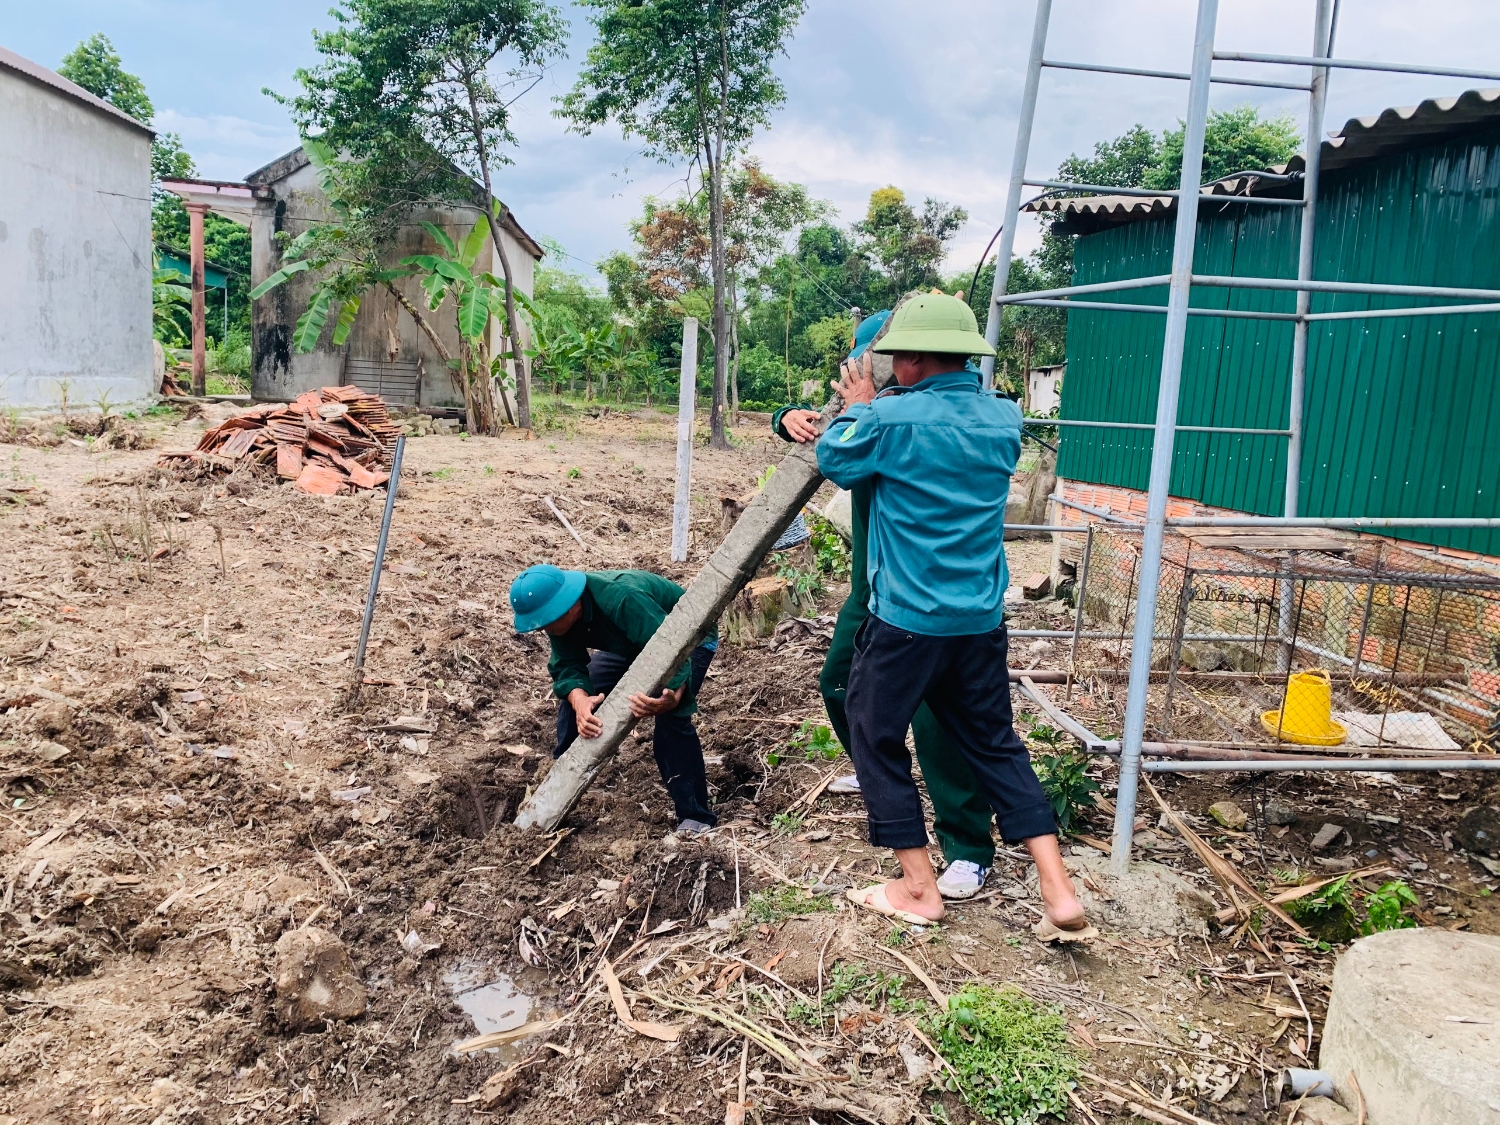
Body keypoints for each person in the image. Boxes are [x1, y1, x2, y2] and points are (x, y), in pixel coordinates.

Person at [815, 293, 1093, 941]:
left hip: (907, 620)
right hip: (978, 620)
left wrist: (857, 407)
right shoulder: (1003, 419)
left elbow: (839, 460)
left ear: (909, 358)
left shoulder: (888, 421)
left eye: (893, 358)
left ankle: (916, 886)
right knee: (997, 745)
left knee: (873, 733)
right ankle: (1058, 887)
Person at [772, 310, 998, 900]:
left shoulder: (904, 416)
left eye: (869, 360)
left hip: (931, 595)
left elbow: (863, 440)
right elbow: (830, 439)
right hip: (874, 588)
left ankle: (967, 846)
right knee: (839, 683)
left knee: (940, 719)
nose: (860, 371)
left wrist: (866, 409)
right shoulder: (872, 408)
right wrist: (785, 419)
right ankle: (884, 775)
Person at [509, 565, 718, 836]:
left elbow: (675, 651)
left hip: (688, 636)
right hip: (631, 642)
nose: (544, 628)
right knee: (580, 699)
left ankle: (695, 815)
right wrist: (580, 700)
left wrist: (672, 697)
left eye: (547, 621)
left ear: (569, 606)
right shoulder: (557, 616)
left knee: (671, 720)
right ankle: (560, 778)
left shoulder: (622, 597)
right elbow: (568, 666)